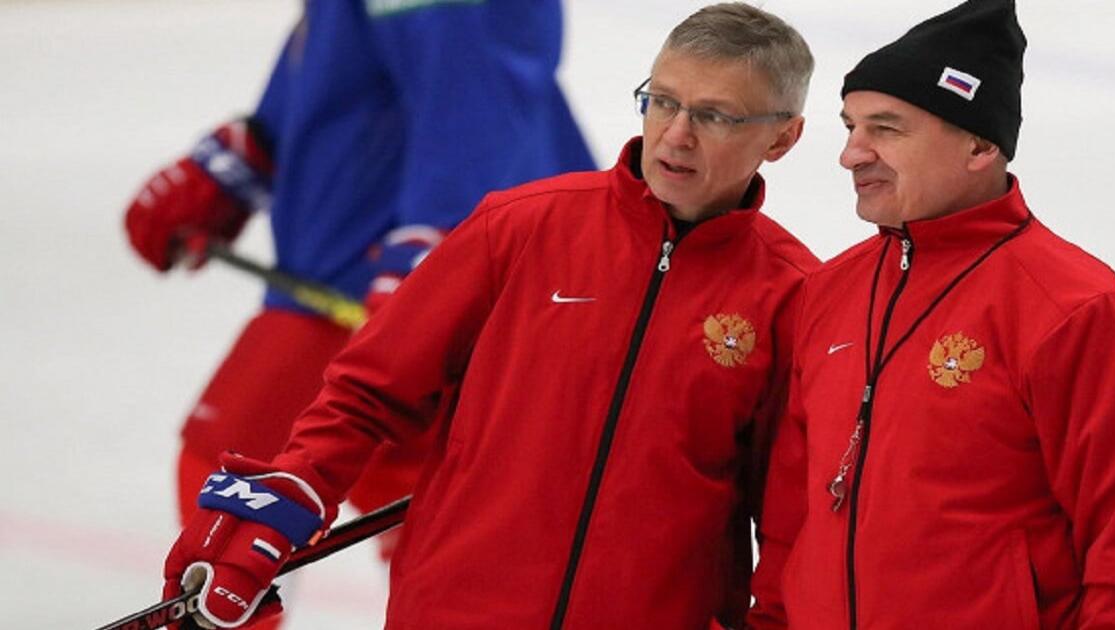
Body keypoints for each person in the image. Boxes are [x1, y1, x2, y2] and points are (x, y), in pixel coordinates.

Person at [158, 3, 819, 628]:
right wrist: (249, 149)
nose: (675, 136)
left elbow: (792, 518)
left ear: (783, 137)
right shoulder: (520, 227)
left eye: (715, 116)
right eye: (663, 102)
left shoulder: (789, 294)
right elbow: (368, 391)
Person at [124, 2, 593, 626]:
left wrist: (442, 237)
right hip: (361, 256)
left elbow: (469, 78)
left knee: (234, 478)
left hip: (382, 269)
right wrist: (253, 149)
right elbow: (348, 43)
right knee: (431, 500)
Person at [749, 1, 1115, 628]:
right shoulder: (829, 291)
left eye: (886, 129)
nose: (851, 155)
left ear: (980, 144)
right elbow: (792, 516)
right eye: (850, 127)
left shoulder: (1074, 309)